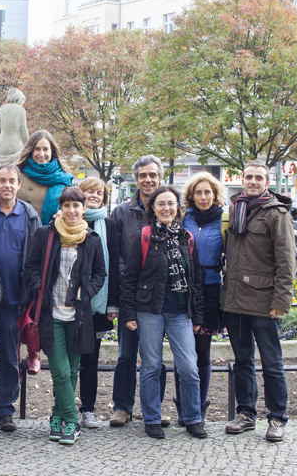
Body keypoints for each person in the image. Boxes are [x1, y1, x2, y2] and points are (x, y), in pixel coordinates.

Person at [120, 185, 206, 440]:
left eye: (171, 203)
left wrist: (198, 316)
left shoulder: (186, 238)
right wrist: (129, 314)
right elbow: (130, 278)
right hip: (150, 311)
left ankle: (192, 418)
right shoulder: (144, 236)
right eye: (161, 204)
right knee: (151, 366)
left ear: (178, 207)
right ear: (153, 208)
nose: (166, 208)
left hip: (181, 313)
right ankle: (152, 419)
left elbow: (196, 281)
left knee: (189, 367)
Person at [23, 187, 106, 445]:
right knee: (60, 371)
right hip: (51, 315)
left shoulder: (91, 238)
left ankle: (56, 416)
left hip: (79, 316)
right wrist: (40, 288)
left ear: (83, 209)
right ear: (61, 207)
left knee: (71, 370)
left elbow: (100, 274)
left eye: (76, 206)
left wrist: (87, 292)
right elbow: (30, 267)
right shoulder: (45, 234)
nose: (71, 210)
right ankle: (72, 421)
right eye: (67, 205)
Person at [223, 160, 294, 443]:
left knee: (272, 363)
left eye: (258, 178)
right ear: (243, 179)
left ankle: (277, 418)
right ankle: (246, 414)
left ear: (267, 182)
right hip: (235, 300)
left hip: (264, 301)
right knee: (242, 361)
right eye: (248, 177)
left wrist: (281, 300)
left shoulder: (276, 213)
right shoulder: (236, 208)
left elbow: (287, 262)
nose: (252, 181)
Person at [0, 164, 42, 432]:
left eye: (11, 181)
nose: (6, 185)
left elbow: (36, 255)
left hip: (14, 300)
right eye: (1, 180)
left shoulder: (28, 215)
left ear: (18, 184)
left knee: (9, 357)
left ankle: (6, 410)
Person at [109, 155, 170, 428]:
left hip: (159, 296)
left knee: (154, 355)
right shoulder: (122, 212)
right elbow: (116, 253)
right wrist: (129, 281)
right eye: (143, 175)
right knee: (126, 354)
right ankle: (122, 406)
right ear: (136, 179)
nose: (148, 179)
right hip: (130, 293)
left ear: (160, 177)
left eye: (153, 175)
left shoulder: (168, 208)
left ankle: (153, 408)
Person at [178, 172, 227, 425]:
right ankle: (182, 406)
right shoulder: (183, 218)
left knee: (202, 350)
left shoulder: (223, 220)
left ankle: (199, 406)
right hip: (183, 286)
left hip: (209, 288)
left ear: (215, 194)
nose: (203, 197)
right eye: (198, 192)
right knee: (183, 351)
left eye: (208, 192)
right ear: (191, 196)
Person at [76, 177, 120, 429]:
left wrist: (113, 303)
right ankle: (63, 408)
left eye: (99, 192)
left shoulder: (109, 224)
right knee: (69, 357)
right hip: (70, 300)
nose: (94, 195)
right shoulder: (67, 218)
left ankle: (87, 408)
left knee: (91, 358)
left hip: (98, 303)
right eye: (89, 191)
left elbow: (113, 263)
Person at [15, 130, 74, 225]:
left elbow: (71, 205)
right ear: (30, 150)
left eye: (45, 149)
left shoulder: (63, 178)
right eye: (37, 149)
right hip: (21, 231)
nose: (41, 154)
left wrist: (63, 212)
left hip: (51, 233)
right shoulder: (17, 174)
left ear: (52, 151)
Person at [0, 88, 29, 165]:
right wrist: (28, 146)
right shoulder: (20, 109)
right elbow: (23, 130)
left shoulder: (2, 108)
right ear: (18, 98)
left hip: (2, 145)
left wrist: (0, 131)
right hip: (15, 144)